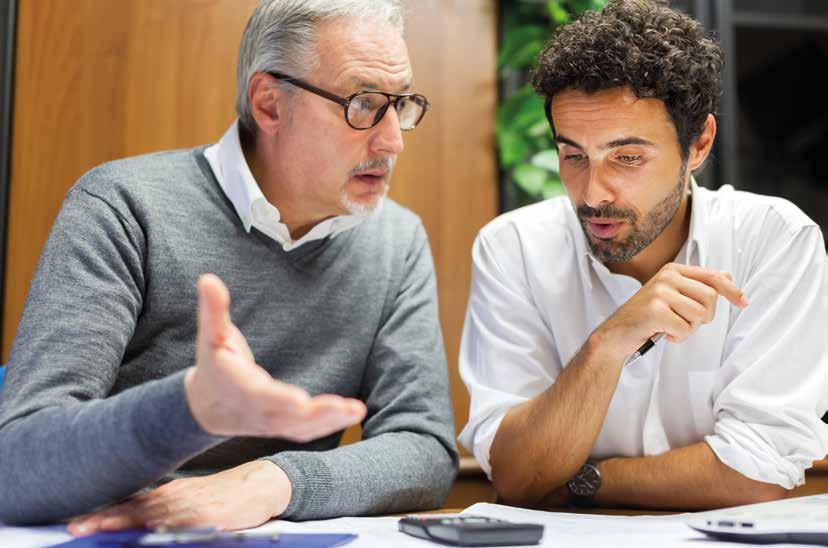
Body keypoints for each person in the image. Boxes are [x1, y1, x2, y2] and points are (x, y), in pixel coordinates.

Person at [0, 0, 457, 532]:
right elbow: (17, 463)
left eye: (400, 104)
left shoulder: (395, 239)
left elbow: (424, 447)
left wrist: (270, 483)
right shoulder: (123, 206)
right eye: (363, 104)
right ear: (269, 104)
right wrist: (193, 408)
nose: (393, 140)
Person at [459, 0, 828, 511]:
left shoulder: (773, 239)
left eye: (627, 157)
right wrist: (609, 342)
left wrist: (581, 480)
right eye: (573, 156)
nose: (593, 192)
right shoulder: (514, 248)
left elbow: (756, 472)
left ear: (698, 143)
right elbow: (518, 476)